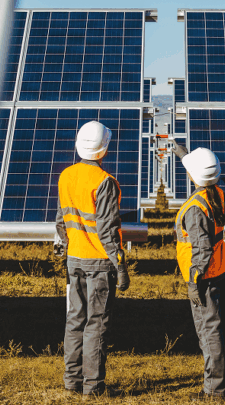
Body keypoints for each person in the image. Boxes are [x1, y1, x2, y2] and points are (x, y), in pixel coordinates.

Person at [55, 121, 130, 397]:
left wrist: (65, 247)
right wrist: (121, 266)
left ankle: (71, 381)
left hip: (74, 259)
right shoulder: (104, 182)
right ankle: (93, 387)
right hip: (98, 263)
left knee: (74, 320)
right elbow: (108, 230)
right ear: (104, 148)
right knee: (95, 325)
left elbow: (61, 220)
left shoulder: (66, 176)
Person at [172, 140, 225, 401]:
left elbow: (202, 249)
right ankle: (215, 386)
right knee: (216, 329)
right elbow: (202, 174)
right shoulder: (216, 193)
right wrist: (184, 155)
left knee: (209, 333)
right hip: (221, 269)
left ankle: (214, 392)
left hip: (205, 277)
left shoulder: (195, 208)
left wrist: (193, 282)